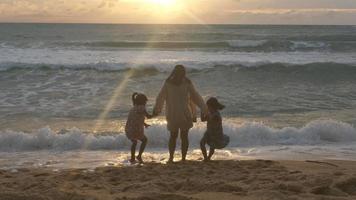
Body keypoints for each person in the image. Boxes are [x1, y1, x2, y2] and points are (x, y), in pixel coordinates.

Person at [153, 65, 209, 163]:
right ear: (184, 73)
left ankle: (171, 157)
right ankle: (183, 158)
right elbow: (196, 97)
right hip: (185, 114)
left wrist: (157, 110)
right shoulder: (187, 82)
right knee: (184, 137)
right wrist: (204, 109)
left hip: (172, 114)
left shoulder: (168, 82)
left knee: (173, 137)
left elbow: (160, 97)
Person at [125, 92, 153, 164]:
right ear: (143, 102)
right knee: (144, 140)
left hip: (128, 129)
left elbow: (136, 118)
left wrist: (144, 124)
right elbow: (148, 116)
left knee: (134, 142)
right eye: (145, 101)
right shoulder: (142, 108)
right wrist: (156, 113)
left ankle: (132, 158)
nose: (146, 103)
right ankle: (139, 156)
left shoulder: (134, 107)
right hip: (135, 129)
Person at [200, 97, 230, 162]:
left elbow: (211, 119)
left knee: (212, 146)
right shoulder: (210, 113)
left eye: (208, 107)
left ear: (213, 107)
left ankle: (208, 157)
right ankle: (205, 158)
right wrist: (202, 111)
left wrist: (206, 113)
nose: (208, 108)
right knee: (202, 143)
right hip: (209, 132)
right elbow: (202, 119)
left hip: (216, 133)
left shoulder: (216, 115)